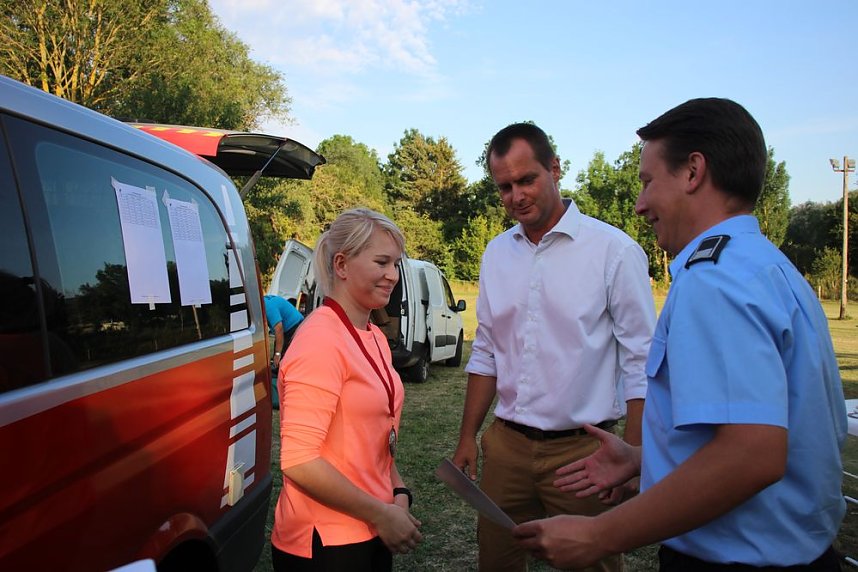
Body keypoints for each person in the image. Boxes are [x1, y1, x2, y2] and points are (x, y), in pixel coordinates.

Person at [513, 98, 848, 571]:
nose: (640, 203)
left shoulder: (714, 280)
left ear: (693, 172)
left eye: (649, 181)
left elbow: (752, 455)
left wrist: (599, 534)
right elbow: (763, 427)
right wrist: (647, 457)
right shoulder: (767, 266)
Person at [452, 122, 656, 572]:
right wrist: (469, 435)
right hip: (506, 446)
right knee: (497, 560)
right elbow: (485, 348)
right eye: (504, 187)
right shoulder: (496, 254)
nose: (517, 195)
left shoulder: (614, 252)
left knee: (592, 562)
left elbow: (642, 361)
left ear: (555, 168)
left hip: (584, 451)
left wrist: (633, 456)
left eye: (527, 180)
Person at [270, 207, 422, 571]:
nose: (393, 275)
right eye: (382, 262)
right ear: (342, 265)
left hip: (371, 526)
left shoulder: (372, 336)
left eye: (396, 264)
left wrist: (397, 493)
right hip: (327, 542)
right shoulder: (320, 340)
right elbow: (299, 461)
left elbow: (374, 439)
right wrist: (382, 514)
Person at [264, 293, 304, 370]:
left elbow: (279, 329)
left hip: (295, 326)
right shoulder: (264, 302)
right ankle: (277, 366)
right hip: (290, 326)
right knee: (278, 348)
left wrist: (277, 354)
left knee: (283, 357)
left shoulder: (267, 307)